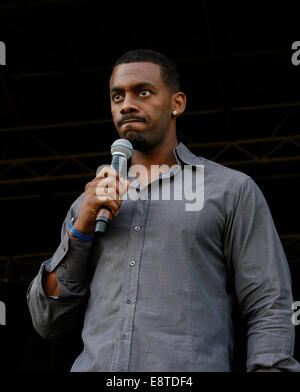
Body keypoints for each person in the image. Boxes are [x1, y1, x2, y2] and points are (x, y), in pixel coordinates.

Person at [27, 49, 299, 372]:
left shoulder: (230, 190)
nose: (126, 104)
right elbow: (46, 319)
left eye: (142, 92)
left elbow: (269, 304)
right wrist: (79, 231)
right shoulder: (90, 202)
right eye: (117, 96)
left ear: (177, 104)